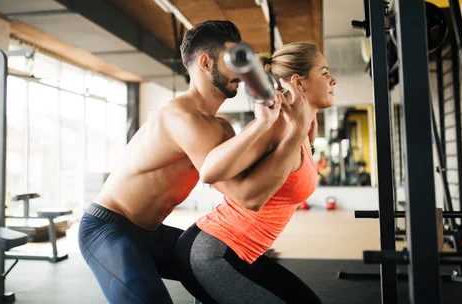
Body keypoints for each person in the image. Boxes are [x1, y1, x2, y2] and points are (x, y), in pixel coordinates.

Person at [78, 21, 312, 304]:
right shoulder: (181, 117)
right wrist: (275, 126)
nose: (241, 71)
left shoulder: (223, 128)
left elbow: (254, 178)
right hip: (108, 228)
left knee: (211, 267)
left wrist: (287, 123)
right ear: (205, 62)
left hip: (151, 233)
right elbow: (244, 194)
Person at [175, 42, 337, 304]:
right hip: (215, 251)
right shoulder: (279, 126)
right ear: (299, 82)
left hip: (245, 253)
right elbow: (210, 172)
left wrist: (307, 135)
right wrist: (281, 127)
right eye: (325, 72)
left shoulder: (301, 130)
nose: (334, 80)